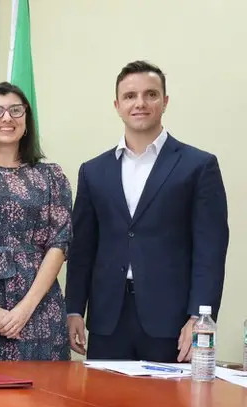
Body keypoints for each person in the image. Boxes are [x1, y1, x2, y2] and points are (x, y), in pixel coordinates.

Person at [66, 60, 229, 362]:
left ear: (165, 101)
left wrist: (199, 318)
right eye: (130, 96)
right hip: (107, 321)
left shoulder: (199, 166)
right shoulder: (93, 171)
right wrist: (74, 308)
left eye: (150, 94)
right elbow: (82, 249)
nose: (139, 103)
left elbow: (211, 249)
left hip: (172, 321)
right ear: (117, 105)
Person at [0, 82, 73, 361]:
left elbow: (59, 243)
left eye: (15, 110)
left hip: (39, 306)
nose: (7, 118)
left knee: (42, 400)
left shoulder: (51, 177)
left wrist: (25, 309)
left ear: (26, 118)